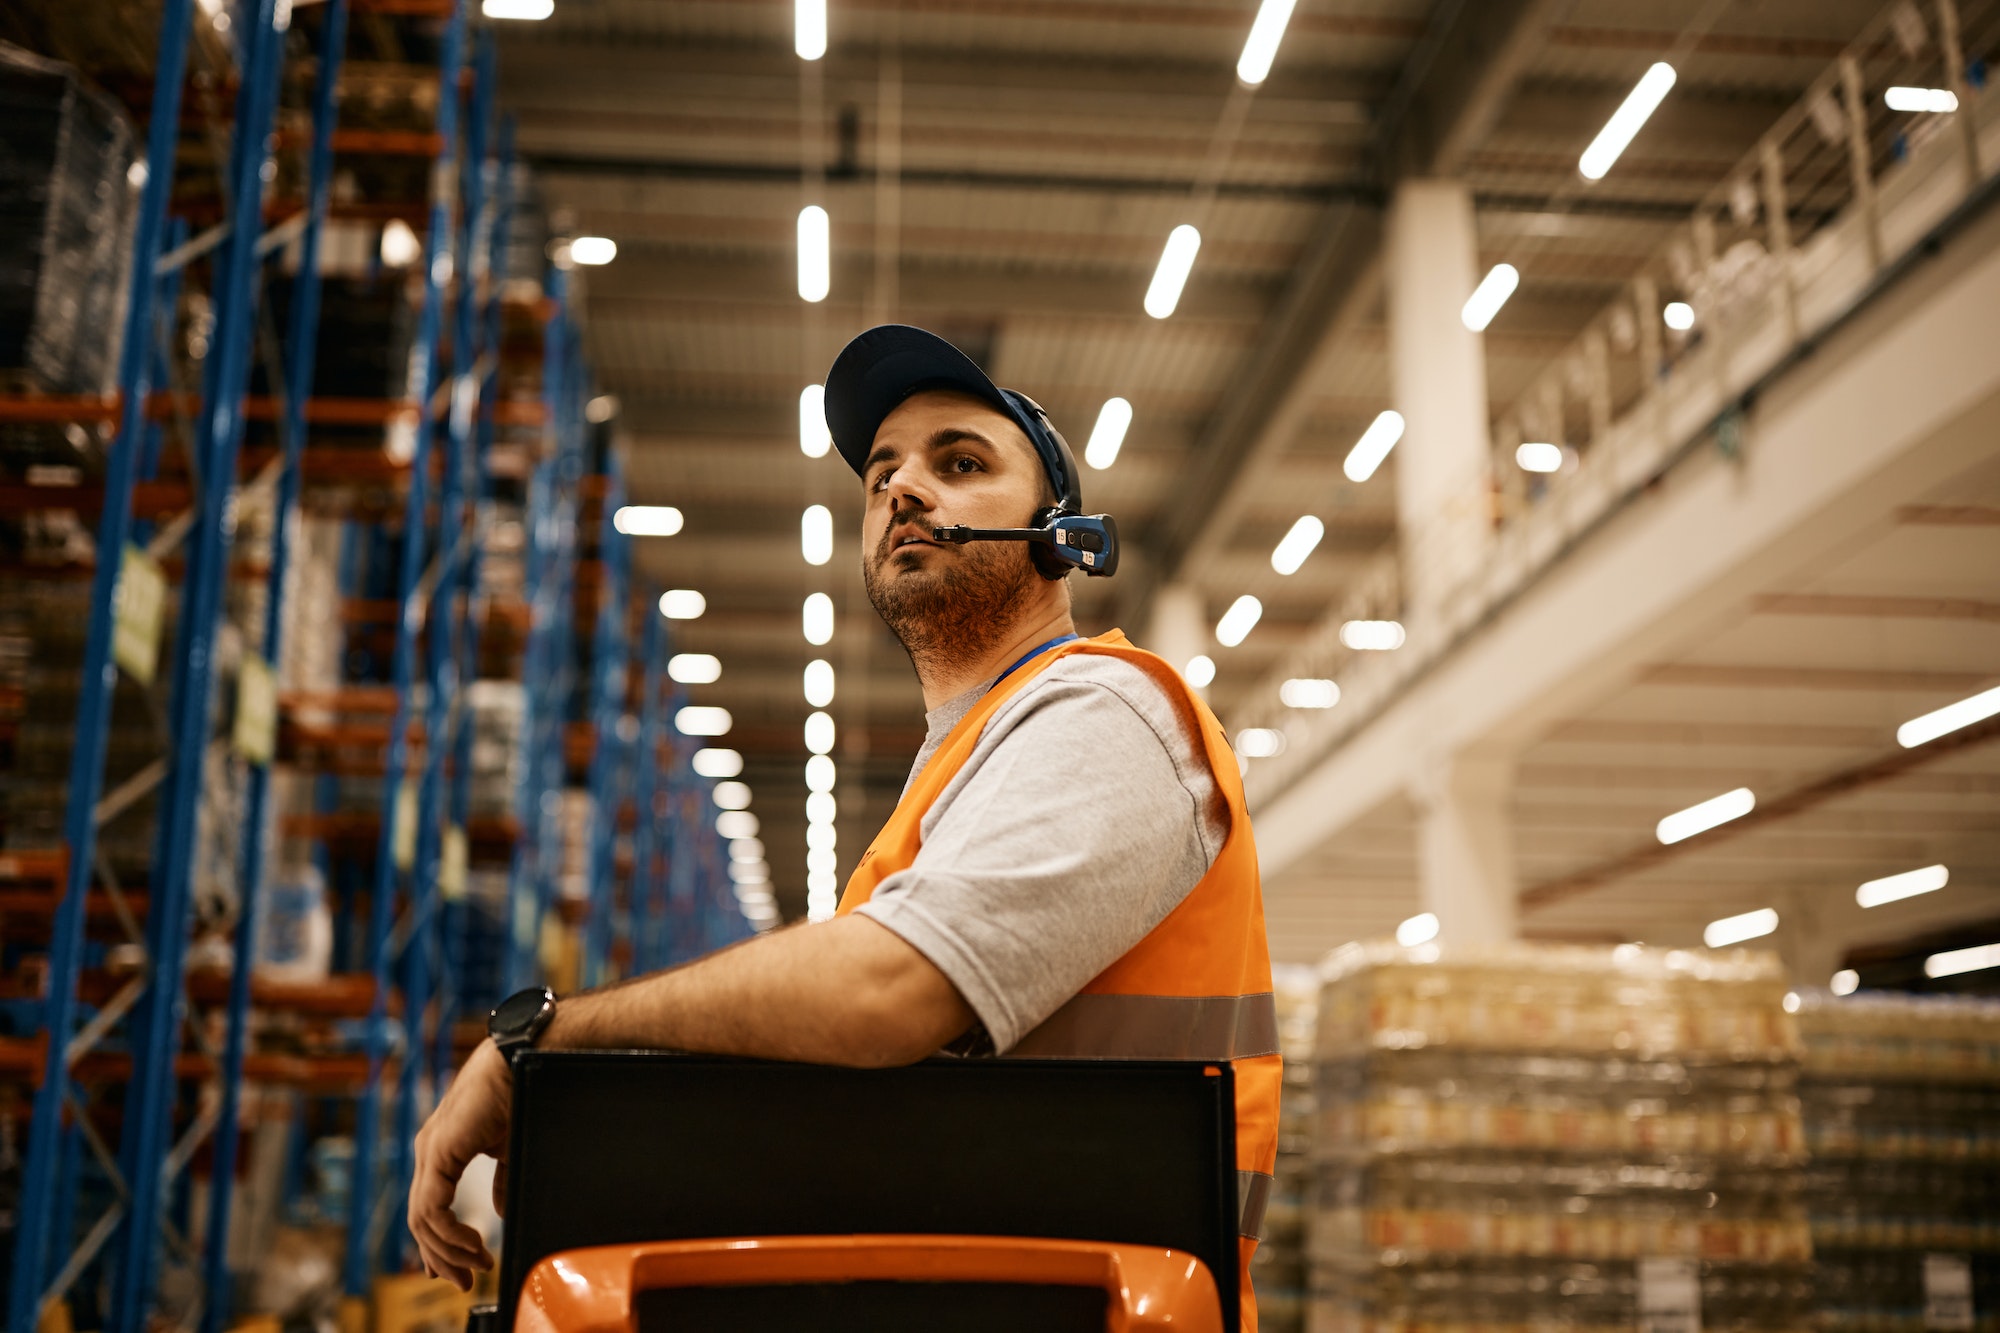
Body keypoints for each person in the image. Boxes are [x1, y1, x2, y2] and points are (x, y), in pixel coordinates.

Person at [406, 325, 1280, 1326]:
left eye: (958, 462)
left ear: (1057, 531)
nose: (904, 490)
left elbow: (882, 997)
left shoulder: (1108, 710)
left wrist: (545, 1043)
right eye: (881, 475)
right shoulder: (959, 770)